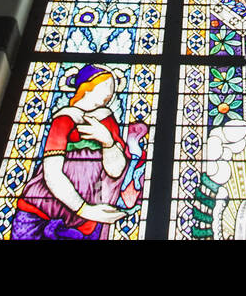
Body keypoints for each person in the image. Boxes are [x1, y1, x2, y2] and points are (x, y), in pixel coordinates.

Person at [11, 65, 147, 240]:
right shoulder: (65, 119)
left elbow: (116, 170)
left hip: (90, 216)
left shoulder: (106, 119)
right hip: (42, 209)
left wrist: (108, 142)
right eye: (106, 85)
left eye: (113, 88)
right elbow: (51, 173)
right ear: (87, 87)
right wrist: (84, 208)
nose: (110, 93)